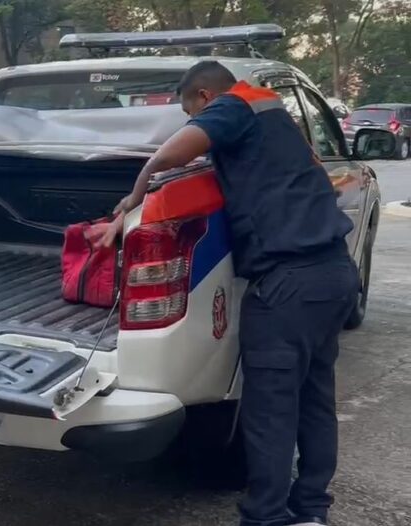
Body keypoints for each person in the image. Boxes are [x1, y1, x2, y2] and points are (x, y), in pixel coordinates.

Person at [100, 61, 359, 526]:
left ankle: (265, 517)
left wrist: (132, 200)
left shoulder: (233, 106)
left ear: (204, 97)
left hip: (288, 284)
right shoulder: (273, 115)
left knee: (271, 413)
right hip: (333, 274)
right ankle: (311, 511)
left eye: (189, 113)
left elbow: (167, 157)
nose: (192, 122)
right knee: (314, 401)